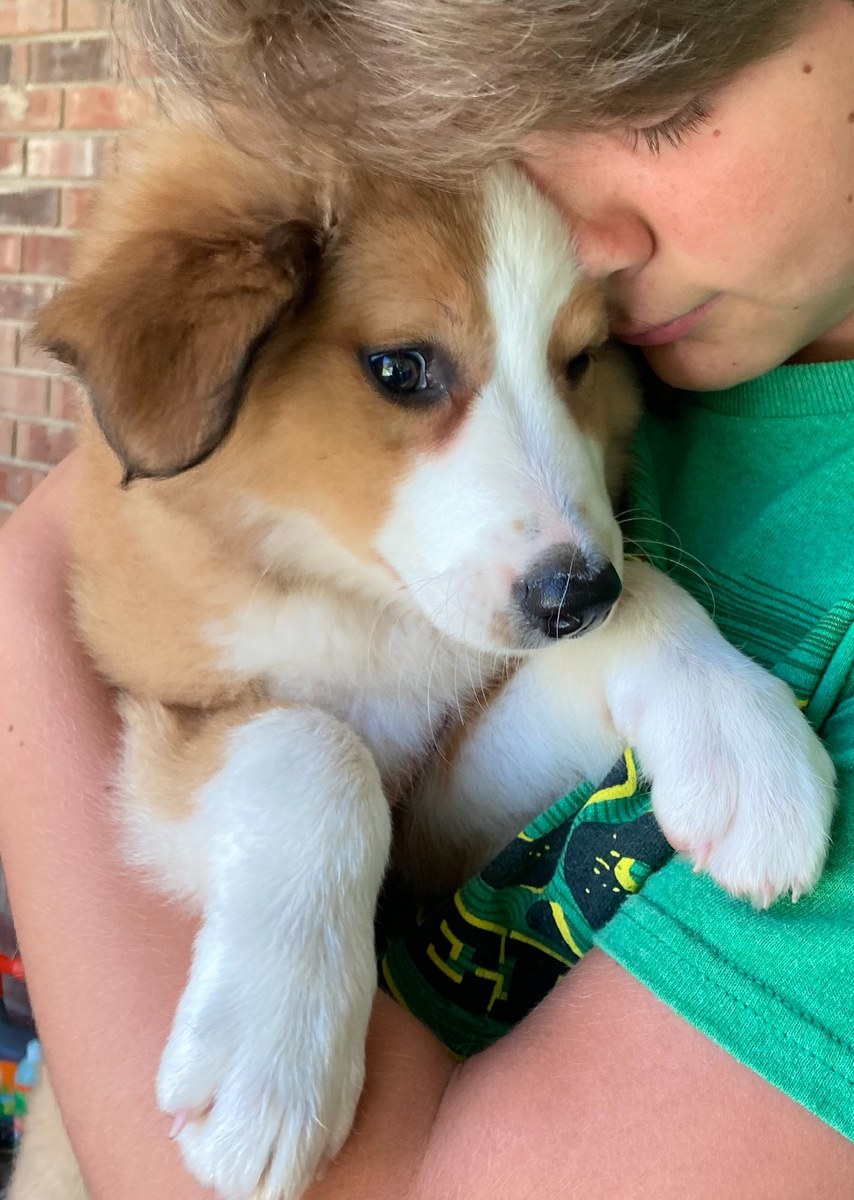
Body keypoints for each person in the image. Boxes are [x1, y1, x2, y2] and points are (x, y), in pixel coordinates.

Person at [1, 1, 853, 1196]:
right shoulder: (664, 336)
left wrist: (649, 643)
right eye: (407, 371)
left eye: (662, 109)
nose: (586, 238)